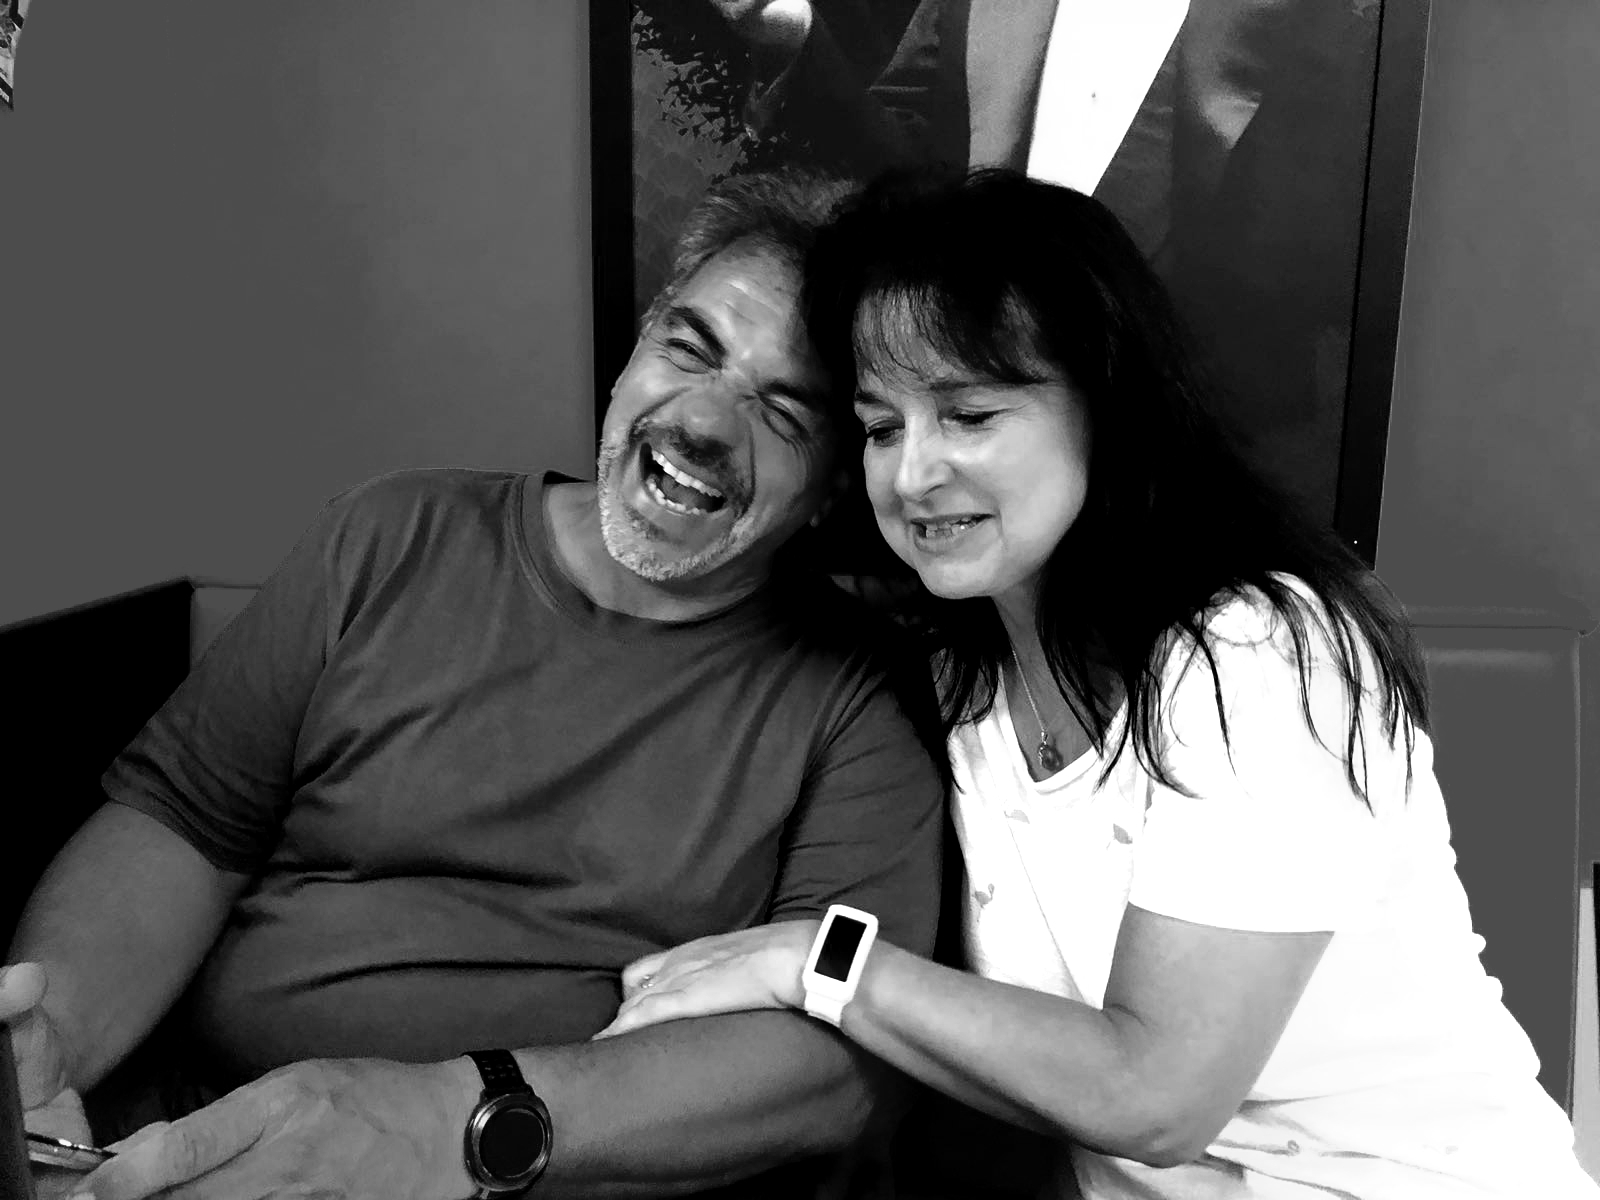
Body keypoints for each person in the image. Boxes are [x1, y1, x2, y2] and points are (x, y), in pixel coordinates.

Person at [597, 168, 1600, 1198]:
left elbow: (1156, 1096)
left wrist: (817, 961)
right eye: (882, 427)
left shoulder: (1263, 650)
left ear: (1106, 408)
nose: (912, 474)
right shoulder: (959, 674)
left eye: (968, 414)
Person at [1, 168, 946, 1200]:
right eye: (689, 349)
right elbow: (181, 828)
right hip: (187, 1148)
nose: (703, 424)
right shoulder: (388, 536)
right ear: (636, 351)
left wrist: (447, 1126)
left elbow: (836, 1066)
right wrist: (44, 1068)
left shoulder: (858, 695)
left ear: (833, 487)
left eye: (784, 411)